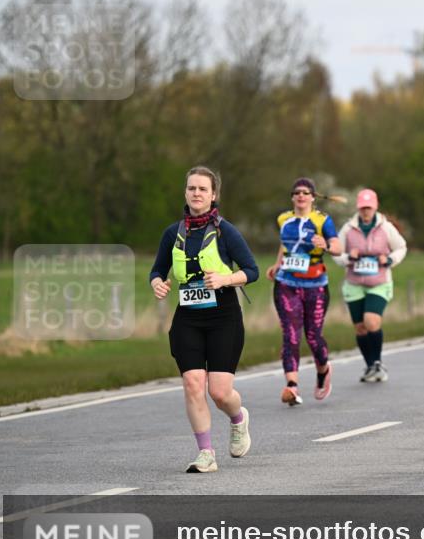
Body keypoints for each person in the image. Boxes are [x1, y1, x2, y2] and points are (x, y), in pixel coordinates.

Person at [149, 166, 259, 473]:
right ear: (185, 192)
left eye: (202, 189)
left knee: (220, 393)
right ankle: (206, 453)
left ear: (213, 195)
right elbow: (157, 269)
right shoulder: (173, 233)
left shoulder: (227, 232)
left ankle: (238, 419)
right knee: (192, 383)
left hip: (224, 317)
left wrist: (225, 278)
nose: (196, 193)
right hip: (188, 318)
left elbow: (252, 271)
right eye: (191, 188)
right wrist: (157, 282)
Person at [265, 178, 341, 406]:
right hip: (287, 283)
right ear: (292, 197)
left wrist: (325, 245)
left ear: (313, 197)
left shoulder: (322, 221)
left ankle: (323, 370)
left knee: (313, 336)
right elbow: (286, 243)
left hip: (315, 285)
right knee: (291, 334)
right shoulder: (283, 219)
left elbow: (338, 247)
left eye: (305, 192)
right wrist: (278, 263)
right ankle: (292, 386)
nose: (301, 196)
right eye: (296, 192)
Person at [334, 188, 408, 380]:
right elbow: (336, 254)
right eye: (363, 208)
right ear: (358, 208)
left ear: (375, 207)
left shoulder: (385, 227)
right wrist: (349, 257)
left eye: (369, 208)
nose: (366, 211)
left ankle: (377, 363)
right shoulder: (348, 228)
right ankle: (370, 366)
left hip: (379, 282)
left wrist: (389, 259)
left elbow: (401, 247)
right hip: (354, 283)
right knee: (360, 327)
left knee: (371, 321)